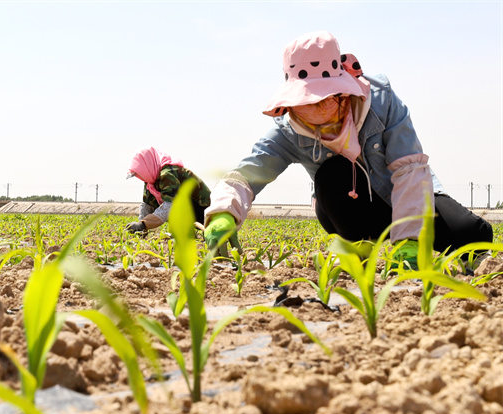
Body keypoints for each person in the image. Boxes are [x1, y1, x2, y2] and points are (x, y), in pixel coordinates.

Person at [203, 31, 493, 263]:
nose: (318, 109)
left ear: (343, 90)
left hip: (401, 196)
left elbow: (410, 169)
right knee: (332, 173)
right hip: (350, 209)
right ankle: (362, 250)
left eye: (325, 98)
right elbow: (248, 174)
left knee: (471, 236)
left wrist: (409, 241)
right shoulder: (289, 130)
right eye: (308, 102)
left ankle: (407, 246)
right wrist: (223, 212)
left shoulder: (381, 103)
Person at [126, 147, 211, 233]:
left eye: (139, 174)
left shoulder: (167, 174)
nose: (139, 177)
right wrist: (140, 226)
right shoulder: (150, 183)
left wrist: (143, 224)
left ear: (146, 167)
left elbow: (170, 206)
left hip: (204, 210)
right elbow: (147, 205)